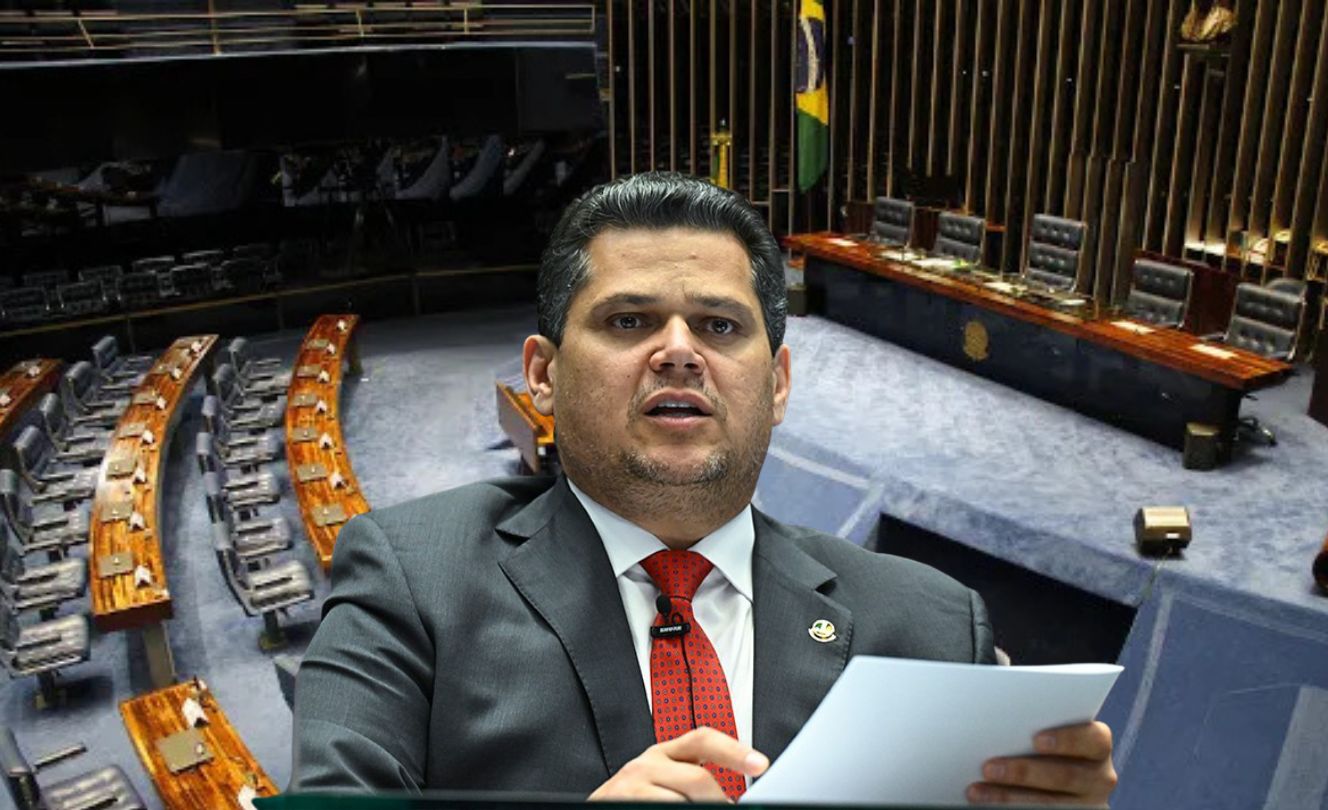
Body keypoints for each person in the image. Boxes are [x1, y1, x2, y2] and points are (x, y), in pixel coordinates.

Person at [290, 172, 1117, 806]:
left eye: (720, 326)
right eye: (628, 321)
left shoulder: (932, 624)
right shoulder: (414, 580)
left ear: (778, 384)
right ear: (542, 374)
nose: (679, 351)